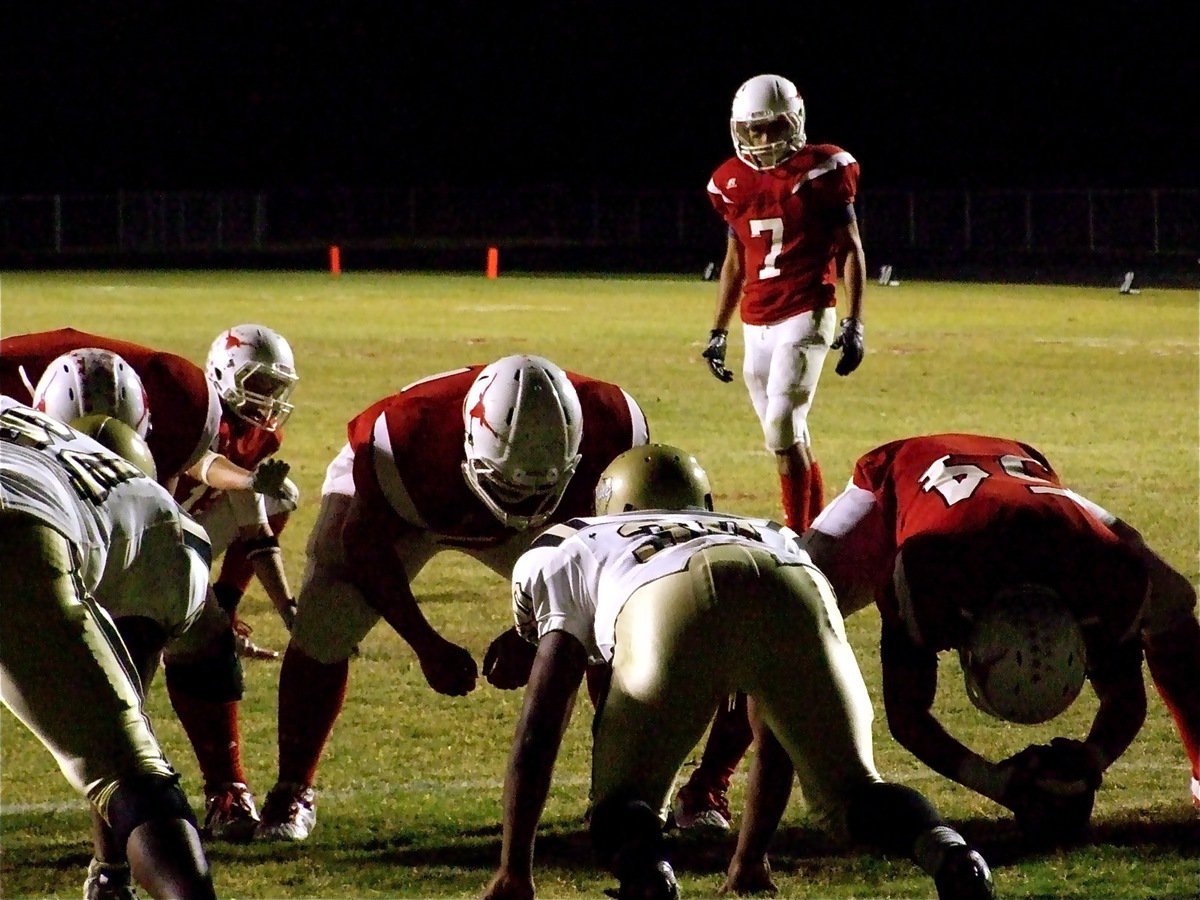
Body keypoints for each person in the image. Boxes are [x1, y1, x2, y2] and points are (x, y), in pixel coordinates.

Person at [481, 445, 993, 900]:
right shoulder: (769, 532)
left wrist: (513, 868)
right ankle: (951, 853)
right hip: (792, 580)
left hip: (664, 597)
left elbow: (541, 723)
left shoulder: (577, 540)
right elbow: (777, 724)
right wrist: (750, 854)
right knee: (856, 791)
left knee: (622, 805)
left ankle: (651, 878)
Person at [255, 354, 650, 842]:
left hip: (554, 520)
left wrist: (535, 634)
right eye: (507, 487)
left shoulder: (616, 427)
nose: (519, 506)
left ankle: (622, 792)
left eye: (534, 490)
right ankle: (292, 787)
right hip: (416, 504)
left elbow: (612, 562)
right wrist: (426, 644)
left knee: (617, 623)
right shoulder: (402, 440)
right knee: (325, 621)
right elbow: (364, 545)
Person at [802, 432, 1200, 838]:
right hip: (907, 466)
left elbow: (1125, 699)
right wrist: (1002, 784)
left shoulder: (1107, 572)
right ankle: (760, 778)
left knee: (1171, 599)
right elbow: (906, 717)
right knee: (794, 604)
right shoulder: (935, 568)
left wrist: (1088, 760)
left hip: (1022, 482)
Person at [5, 329, 301, 841]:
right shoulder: (158, 466)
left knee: (118, 710)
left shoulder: (182, 422)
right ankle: (123, 854)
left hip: (64, 540)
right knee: (122, 733)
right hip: (71, 540)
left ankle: (211, 794)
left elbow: (220, 486)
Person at [681, 72, 868, 832]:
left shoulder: (824, 170)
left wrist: (855, 321)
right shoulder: (728, 182)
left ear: (795, 123)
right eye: (751, 130)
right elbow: (734, 256)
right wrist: (717, 328)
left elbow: (850, 248)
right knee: (783, 431)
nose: (761, 143)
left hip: (806, 309)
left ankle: (798, 531)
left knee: (782, 426)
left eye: (771, 128)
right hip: (758, 319)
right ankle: (808, 522)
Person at [0, 398, 218, 899]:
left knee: (128, 774)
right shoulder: (162, 523)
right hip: (29, 520)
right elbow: (116, 717)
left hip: (27, 517)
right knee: (132, 774)